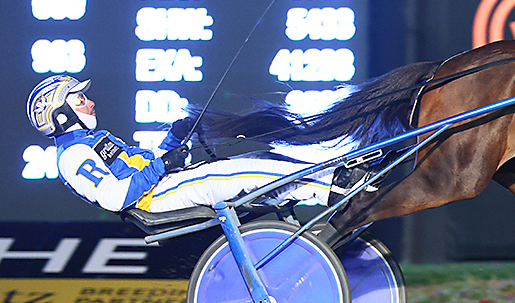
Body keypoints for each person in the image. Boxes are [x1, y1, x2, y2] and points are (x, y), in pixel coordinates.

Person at [26, 75, 368, 214]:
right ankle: (340, 186)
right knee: (250, 170)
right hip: (157, 197)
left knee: (263, 162)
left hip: (163, 187)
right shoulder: (72, 156)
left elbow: (143, 167)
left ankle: (327, 191)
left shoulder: (91, 142)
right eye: (79, 100)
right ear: (60, 114)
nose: (89, 103)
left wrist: (174, 139)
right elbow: (114, 197)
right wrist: (164, 165)